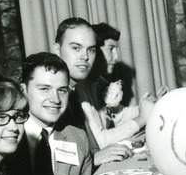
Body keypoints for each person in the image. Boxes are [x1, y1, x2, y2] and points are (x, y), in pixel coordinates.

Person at [12, 52, 93, 175]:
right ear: (23, 90)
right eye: (44, 89)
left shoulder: (78, 139)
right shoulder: (7, 138)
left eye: (62, 90)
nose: (55, 99)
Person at [52, 17, 136, 164]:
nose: (85, 57)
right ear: (57, 50)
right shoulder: (50, 95)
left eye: (90, 50)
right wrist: (93, 159)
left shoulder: (73, 90)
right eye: (76, 48)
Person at [61, 19, 155, 149]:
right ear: (97, 52)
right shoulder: (78, 88)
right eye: (111, 49)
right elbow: (100, 141)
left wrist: (152, 106)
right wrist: (142, 118)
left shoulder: (99, 82)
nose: (116, 57)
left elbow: (117, 115)